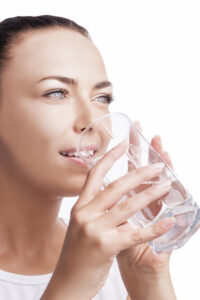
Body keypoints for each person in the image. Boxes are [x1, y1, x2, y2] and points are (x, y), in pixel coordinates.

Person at [0, 15, 178, 300]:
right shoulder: (89, 263)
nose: (91, 120)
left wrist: (149, 278)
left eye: (102, 98)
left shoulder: (115, 253)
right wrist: (73, 284)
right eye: (57, 93)